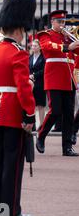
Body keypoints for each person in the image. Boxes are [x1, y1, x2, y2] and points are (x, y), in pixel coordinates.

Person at [0, 0, 36, 216]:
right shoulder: (18, 53)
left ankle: (0, 214)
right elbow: (23, 89)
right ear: (19, 29)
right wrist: (29, 114)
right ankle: (11, 213)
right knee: (12, 168)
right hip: (11, 113)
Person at [36, 10, 79, 157]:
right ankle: (41, 136)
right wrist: (67, 47)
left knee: (68, 114)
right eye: (59, 22)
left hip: (69, 79)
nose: (62, 24)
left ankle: (67, 147)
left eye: (63, 22)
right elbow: (48, 47)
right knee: (55, 111)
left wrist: (73, 41)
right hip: (54, 77)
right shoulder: (45, 34)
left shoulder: (68, 36)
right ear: (52, 22)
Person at [29, 38, 46, 129]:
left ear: (40, 47)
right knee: (32, 105)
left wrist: (34, 75)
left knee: (40, 105)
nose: (33, 47)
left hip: (40, 83)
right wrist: (29, 75)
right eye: (32, 46)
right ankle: (34, 124)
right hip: (31, 83)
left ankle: (42, 124)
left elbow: (44, 70)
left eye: (35, 46)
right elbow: (27, 68)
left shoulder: (43, 58)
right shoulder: (30, 57)